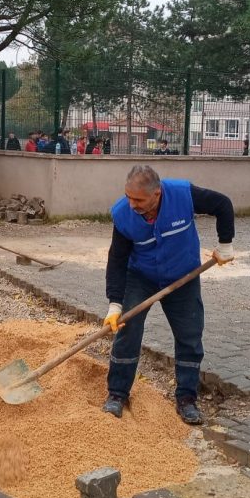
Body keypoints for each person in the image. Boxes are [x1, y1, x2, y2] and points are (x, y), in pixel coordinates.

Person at [101, 165, 235, 425]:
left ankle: (187, 399)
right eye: (128, 196)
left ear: (157, 193)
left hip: (182, 276)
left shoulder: (183, 195)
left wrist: (225, 244)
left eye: (138, 199)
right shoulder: (122, 214)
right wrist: (115, 303)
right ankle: (117, 394)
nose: (132, 204)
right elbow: (117, 260)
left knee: (190, 336)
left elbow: (223, 204)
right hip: (140, 277)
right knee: (127, 332)